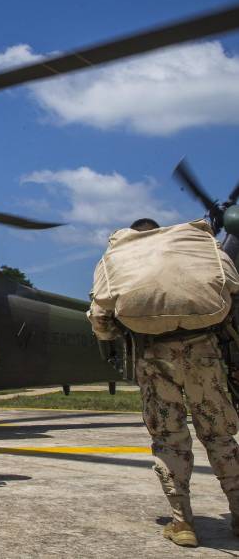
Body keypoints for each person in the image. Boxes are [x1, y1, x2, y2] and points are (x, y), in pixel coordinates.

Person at [88, 217, 239, 547]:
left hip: (154, 358)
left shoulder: (118, 258)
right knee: (219, 435)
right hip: (205, 352)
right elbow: (232, 289)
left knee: (169, 439)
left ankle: (183, 523)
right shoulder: (197, 249)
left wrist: (116, 334)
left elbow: (100, 318)